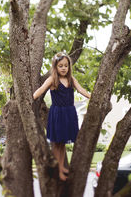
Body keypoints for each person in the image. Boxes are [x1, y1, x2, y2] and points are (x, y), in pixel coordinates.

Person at [33, 52, 91, 181]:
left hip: (69, 113)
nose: (64, 68)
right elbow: (41, 90)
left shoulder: (71, 79)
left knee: (63, 143)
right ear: (55, 67)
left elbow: (81, 90)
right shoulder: (52, 80)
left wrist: (92, 97)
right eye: (60, 66)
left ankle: (62, 167)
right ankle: (57, 170)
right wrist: (31, 98)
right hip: (58, 114)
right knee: (57, 144)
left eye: (66, 65)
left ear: (69, 66)